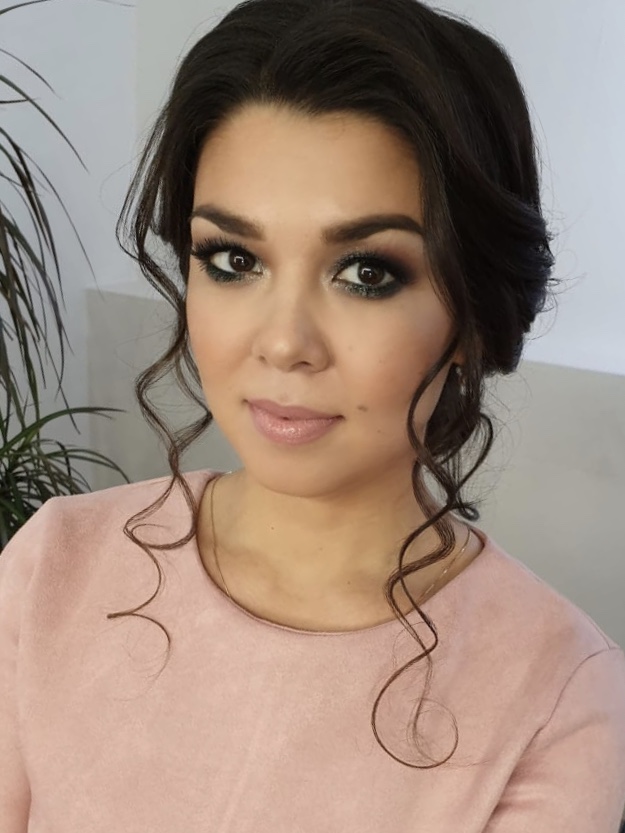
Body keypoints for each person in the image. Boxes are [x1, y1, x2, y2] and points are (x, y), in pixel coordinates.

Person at [1, 0, 625, 830]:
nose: (283, 342)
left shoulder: (555, 695)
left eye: (366, 272)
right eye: (233, 259)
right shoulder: (52, 569)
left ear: (474, 316)